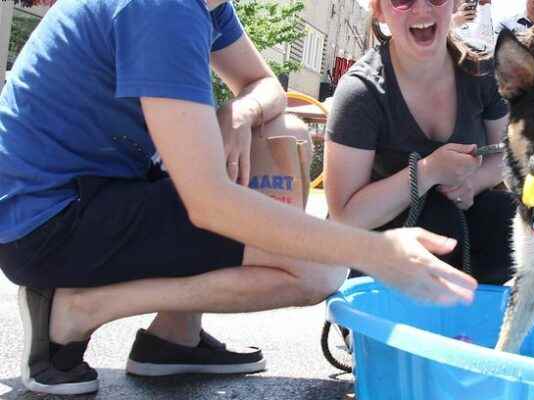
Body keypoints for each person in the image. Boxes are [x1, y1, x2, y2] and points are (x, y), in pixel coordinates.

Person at [0, 0, 476, 395]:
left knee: (281, 128)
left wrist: (239, 111)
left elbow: (266, 85)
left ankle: (174, 338)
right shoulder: (165, 9)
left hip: (98, 192)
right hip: (49, 222)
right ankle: (77, 310)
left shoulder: (206, 8)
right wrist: (374, 250)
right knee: (320, 271)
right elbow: (209, 203)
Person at [325, 0, 516, 285]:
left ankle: (476, 317)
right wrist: (427, 172)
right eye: (403, 1)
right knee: (437, 216)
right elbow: (345, 215)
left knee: (507, 217)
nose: (422, 9)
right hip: (381, 250)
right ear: (378, 9)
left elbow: (507, 154)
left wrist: (471, 184)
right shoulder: (360, 92)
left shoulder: (482, 72)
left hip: (461, 241)